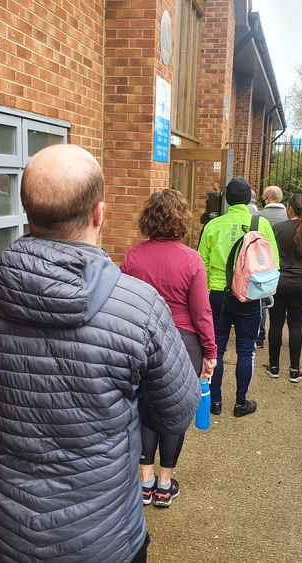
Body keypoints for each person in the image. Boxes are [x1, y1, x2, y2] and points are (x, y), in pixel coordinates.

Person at [0, 145, 199, 563]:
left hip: (6, 538)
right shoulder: (139, 307)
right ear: (99, 213)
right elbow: (177, 412)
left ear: (27, 210)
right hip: (105, 541)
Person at [122, 189, 217, 509]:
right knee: (174, 412)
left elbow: (125, 303)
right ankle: (165, 484)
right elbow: (202, 312)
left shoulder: (133, 257)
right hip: (184, 342)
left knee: (146, 407)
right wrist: (210, 351)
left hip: (142, 338)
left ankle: (145, 482)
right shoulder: (191, 259)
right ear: (182, 219)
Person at [198, 177, 279, 417]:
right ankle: (241, 402)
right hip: (250, 296)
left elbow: (200, 264)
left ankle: (215, 402)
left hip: (218, 296)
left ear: (227, 199)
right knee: (246, 350)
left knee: (217, 350)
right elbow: (273, 263)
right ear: (248, 199)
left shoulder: (213, 226)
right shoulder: (261, 224)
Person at [266, 193, 302, 383]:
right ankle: (294, 370)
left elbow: (269, 256)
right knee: (296, 325)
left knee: (275, 324)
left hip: (279, 282)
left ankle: (274, 367)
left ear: (290, 208)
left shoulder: (278, 228)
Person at [256, 185, 288, 348]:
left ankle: (260, 336)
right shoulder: (288, 217)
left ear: (267, 197)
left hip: (262, 265)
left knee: (261, 301)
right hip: (284, 266)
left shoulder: (258, 216)